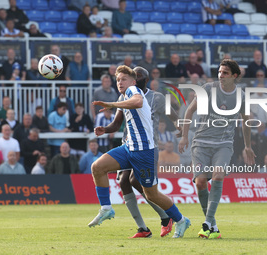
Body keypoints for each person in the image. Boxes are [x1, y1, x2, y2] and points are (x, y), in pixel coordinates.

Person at [88, 65, 190, 239]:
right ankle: (106, 208)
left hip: (145, 150)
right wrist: (104, 129)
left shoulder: (136, 92)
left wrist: (111, 104)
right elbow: (117, 122)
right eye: (118, 80)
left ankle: (180, 220)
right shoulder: (124, 95)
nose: (120, 82)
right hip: (129, 146)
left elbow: (138, 102)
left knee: (152, 194)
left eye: (123, 79)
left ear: (135, 81)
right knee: (98, 167)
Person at [178, 59, 256, 239]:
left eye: (225, 73)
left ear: (234, 76)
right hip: (201, 143)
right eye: (220, 72)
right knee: (200, 182)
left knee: (218, 175)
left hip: (224, 144)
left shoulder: (241, 96)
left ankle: (207, 222)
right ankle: (212, 225)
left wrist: (247, 146)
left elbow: (246, 122)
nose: (221, 75)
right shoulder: (208, 89)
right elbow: (189, 111)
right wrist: (184, 135)